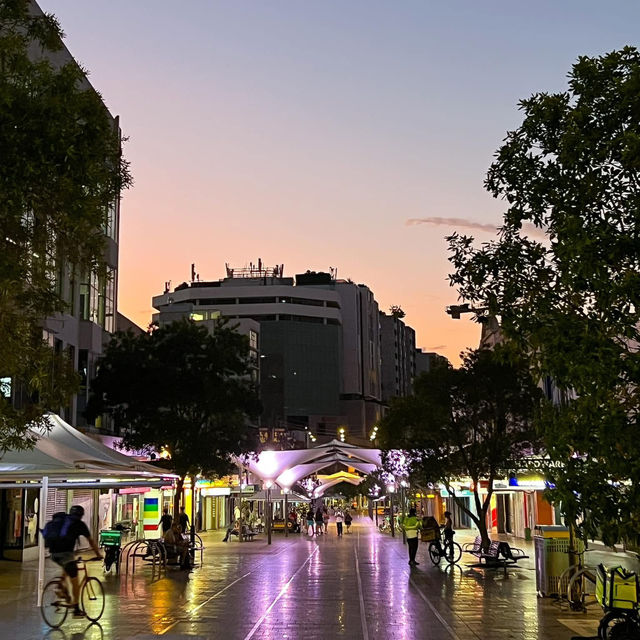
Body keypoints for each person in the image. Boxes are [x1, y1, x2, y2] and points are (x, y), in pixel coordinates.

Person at [46, 505, 102, 618]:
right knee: (75, 581)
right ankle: (76, 609)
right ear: (81, 515)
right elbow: (91, 541)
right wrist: (98, 555)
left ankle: (61, 586)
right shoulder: (79, 524)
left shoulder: (63, 520)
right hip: (65, 554)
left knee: (67, 566)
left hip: (53, 554)